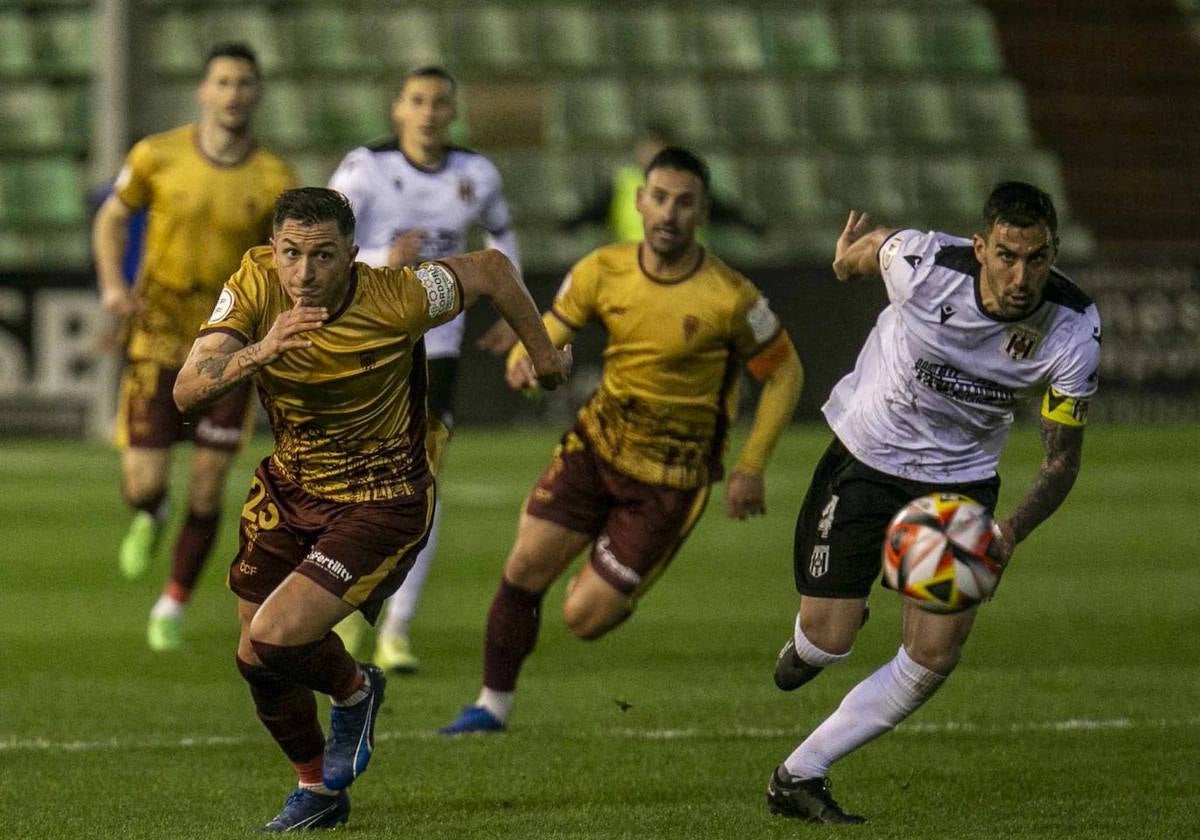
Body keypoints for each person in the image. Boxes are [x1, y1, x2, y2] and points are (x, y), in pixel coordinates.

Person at [172, 187, 570, 831]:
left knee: (277, 636)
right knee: (254, 658)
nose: (303, 273)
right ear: (272, 249)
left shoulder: (398, 295)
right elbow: (187, 389)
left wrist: (545, 356)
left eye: (323, 256)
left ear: (353, 256)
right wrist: (260, 350)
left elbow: (493, 270)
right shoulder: (252, 284)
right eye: (291, 254)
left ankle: (356, 688)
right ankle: (317, 792)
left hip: (380, 498)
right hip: (289, 489)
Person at [766, 182, 1101, 824]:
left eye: (1037, 258)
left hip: (961, 483)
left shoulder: (1074, 328)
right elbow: (870, 249)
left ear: (1053, 252)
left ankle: (799, 774)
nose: (1021, 275)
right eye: (1006, 255)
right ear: (979, 247)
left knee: (933, 656)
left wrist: (1011, 531)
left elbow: (1062, 460)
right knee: (825, 641)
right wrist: (842, 261)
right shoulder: (923, 266)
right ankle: (815, 640)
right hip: (869, 455)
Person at [440, 147, 805, 735]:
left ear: (703, 211)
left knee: (584, 618)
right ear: (639, 202)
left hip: (671, 478)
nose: (669, 213)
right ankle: (490, 706)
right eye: (659, 198)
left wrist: (751, 464)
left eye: (684, 203)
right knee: (525, 567)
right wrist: (526, 362)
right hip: (597, 445)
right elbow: (546, 335)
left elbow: (784, 371)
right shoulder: (600, 270)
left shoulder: (731, 297)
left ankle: (627, 570)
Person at [91, 43, 296, 651]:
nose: (233, 93)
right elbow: (111, 216)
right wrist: (111, 285)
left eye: (244, 83)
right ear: (204, 91)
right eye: (223, 82)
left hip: (229, 337)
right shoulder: (156, 155)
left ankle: (171, 605)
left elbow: (285, 263)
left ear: (257, 94)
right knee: (143, 481)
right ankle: (151, 513)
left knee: (209, 485)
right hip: (158, 332)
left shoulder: (275, 178)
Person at [326, 65, 522, 674]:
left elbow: (503, 234)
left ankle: (396, 628)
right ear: (397, 110)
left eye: (441, 101)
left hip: (436, 344)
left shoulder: (475, 173)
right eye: (418, 101)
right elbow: (314, 244)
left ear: (452, 111)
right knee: (352, 480)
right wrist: (387, 257)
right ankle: (340, 611)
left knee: (420, 485)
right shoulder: (365, 170)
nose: (430, 112)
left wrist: (511, 306)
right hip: (366, 342)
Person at [562, 124, 766, 244]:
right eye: (648, 149)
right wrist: (569, 225)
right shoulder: (624, 183)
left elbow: (721, 211)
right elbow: (594, 212)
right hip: (637, 270)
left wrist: (751, 225)